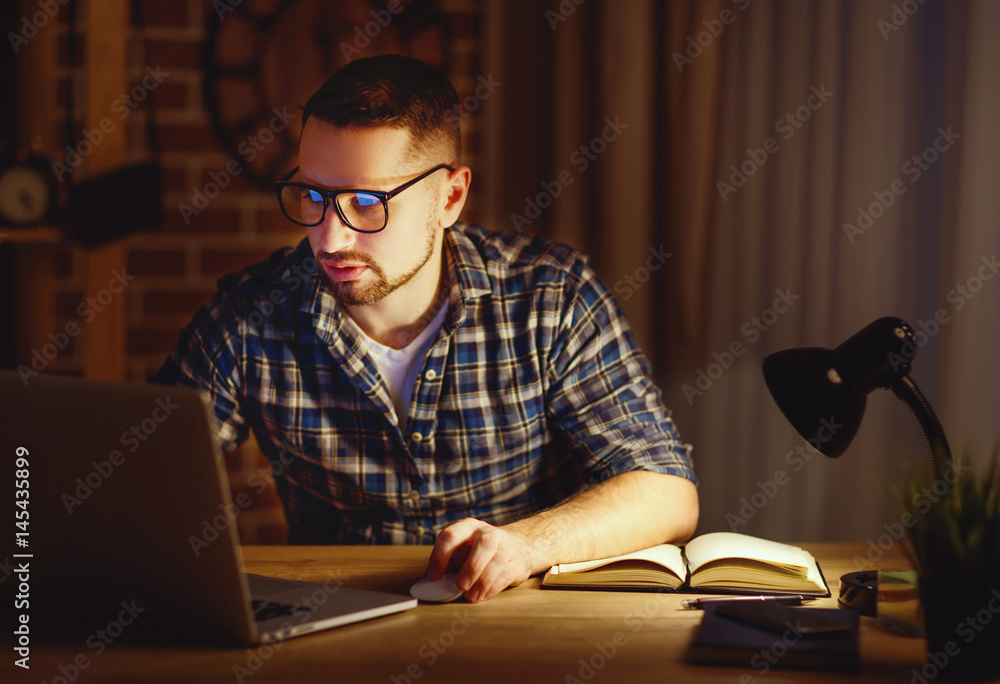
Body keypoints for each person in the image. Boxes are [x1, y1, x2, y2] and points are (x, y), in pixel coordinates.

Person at [155, 54, 697, 603]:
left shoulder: (551, 298)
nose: (330, 239)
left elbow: (667, 492)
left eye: (367, 203)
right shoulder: (249, 316)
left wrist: (525, 545)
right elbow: (142, 484)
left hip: (522, 622)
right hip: (333, 630)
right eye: (314, 196)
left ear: (450, 197)